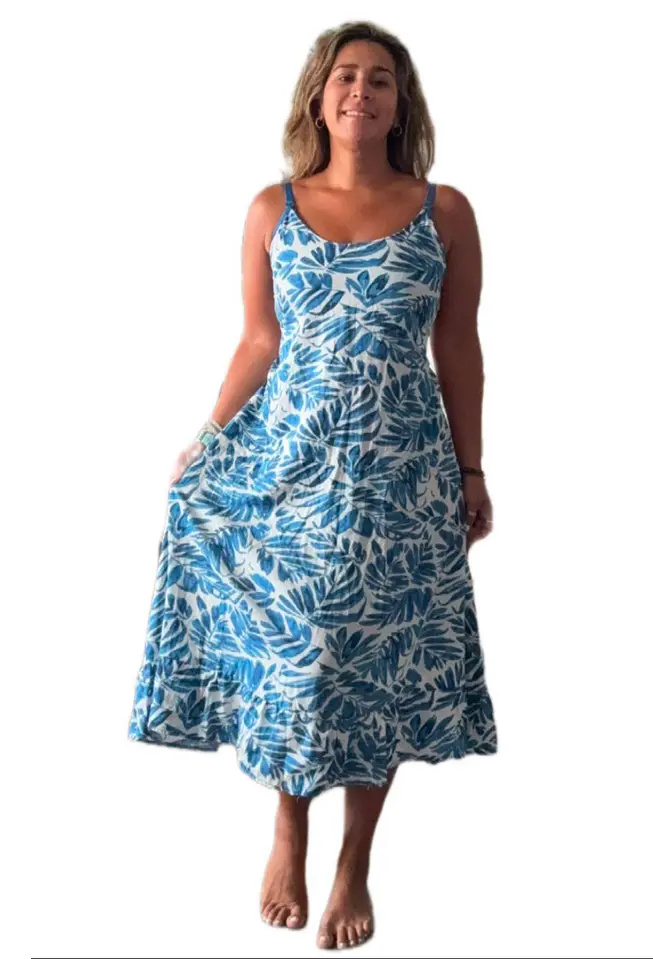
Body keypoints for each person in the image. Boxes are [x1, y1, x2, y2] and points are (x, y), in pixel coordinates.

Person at [129, 19, 497, 951]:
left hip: (401, 473)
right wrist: (206, 439)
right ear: (319, 96)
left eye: (380, 79)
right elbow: (260, 339)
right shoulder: (272, 206)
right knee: (304, 652)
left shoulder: (444, 210)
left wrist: (471, 466)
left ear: (400, 104)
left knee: (382, 657)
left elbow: (457, 346)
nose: (360, 91)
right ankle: (289, 825)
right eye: (345, 76)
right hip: (290, 467)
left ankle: (354, 860)